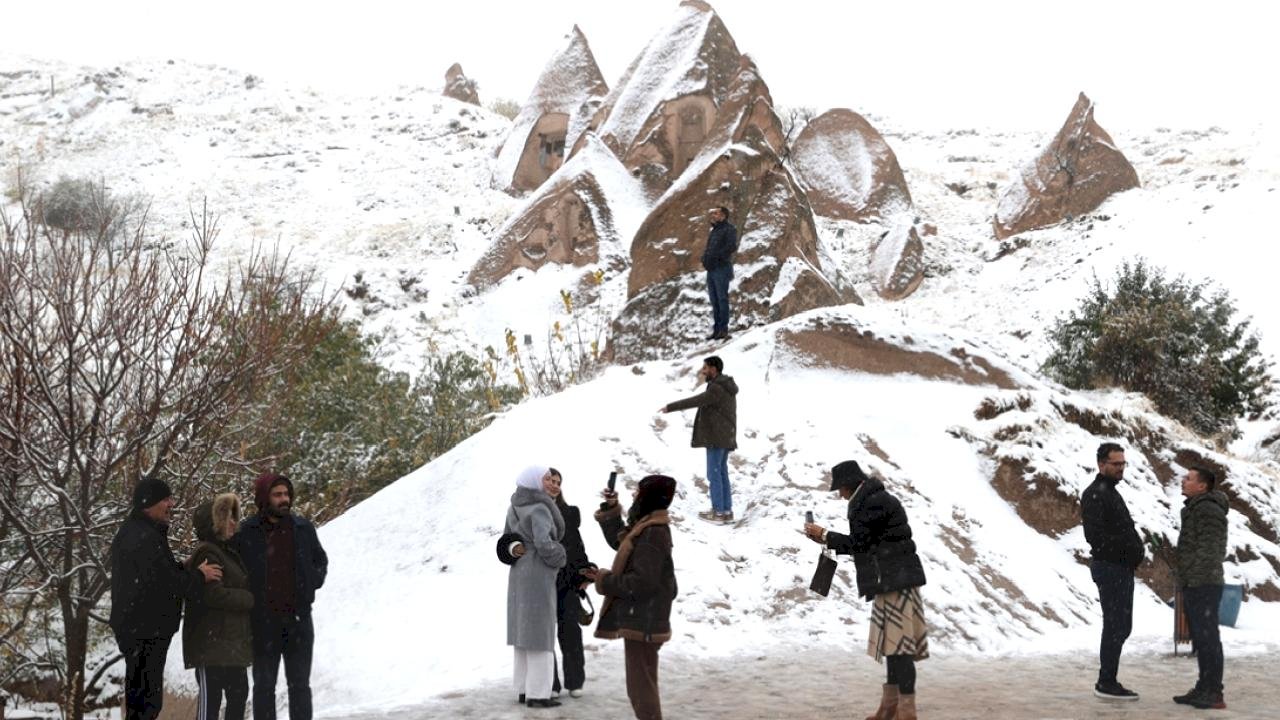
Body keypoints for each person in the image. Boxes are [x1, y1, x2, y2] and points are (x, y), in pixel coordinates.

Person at [805, 460, 929, 720]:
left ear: (849, 485)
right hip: (895, 579)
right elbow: (866, 542)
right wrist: (826, 536)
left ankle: (906, 712)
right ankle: (891, 708)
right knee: (895, 649)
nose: (840, 494)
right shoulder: (873, 498)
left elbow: (859, 544)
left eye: (841, 489)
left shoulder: (870, 503)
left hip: (895, 581)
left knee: (900, 649)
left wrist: (825, 534)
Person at [109, 476, 222, 720]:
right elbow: (165, 584)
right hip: (145, 632)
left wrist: (182, 566)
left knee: (141, 701)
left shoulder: (140, 532)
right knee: (146, 704)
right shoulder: (143, 538)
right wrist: (200, 576)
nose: (171, 504)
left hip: (140, 630)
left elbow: (158, 574)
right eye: (165, 499)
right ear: (147, 503)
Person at [583, 474, 678, 720]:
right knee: (641, 685)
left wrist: (603, 580)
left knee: (641, 689)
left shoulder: (652, 533)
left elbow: (641, 584)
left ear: (648, 497)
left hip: (644, 619)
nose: (634, 495)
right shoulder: (647, 527)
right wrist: (612, 509)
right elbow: (623, 542)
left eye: (637, 492)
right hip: (643, 618)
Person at [235, 473, 328, 720]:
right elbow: (235, 570)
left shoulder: (303, 528)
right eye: (278, 494)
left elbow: (320, 560)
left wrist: (311, 582)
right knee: (264, 687)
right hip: (263, 623)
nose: (284, 499)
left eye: (286, 494)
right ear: (264, 498)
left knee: (300, 686)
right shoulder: (247, 532)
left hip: (299, 621)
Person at [1080, 442, 1145, 701]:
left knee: (1121, 626)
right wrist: (1126, 553)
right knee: (1116, 625)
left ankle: (1108, 678)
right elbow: (1095, 536)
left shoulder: (1110, 491)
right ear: (1101, 464)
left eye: (1123, 464)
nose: (1121, 468)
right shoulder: (1095, 493)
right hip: (1111, 568)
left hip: (1119, 568)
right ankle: (1106, 681)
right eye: (1116, 464)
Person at [184, 493, 254, 720]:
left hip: (231, 644)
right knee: (210, 705)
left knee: (238, 696)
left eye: (234, 517)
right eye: (227, 518)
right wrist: (249, 598)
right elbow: (214, 595)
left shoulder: (227, 552)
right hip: (212, 645)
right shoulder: (207, 551)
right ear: (214, 523)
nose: (234, 523)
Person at [504, 466, 568, 708]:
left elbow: (506, 539)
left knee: (523, 633)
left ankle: (522, 689)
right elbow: (544, 542)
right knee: (541, 634)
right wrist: (560, 555)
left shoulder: (514, 507)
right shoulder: (541, 508)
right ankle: (539, 694)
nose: (547, 482)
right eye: (544, 478)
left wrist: (515, 550)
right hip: (537, 574)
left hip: (518, 572)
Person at [1172, 466, 1229, 710]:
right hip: (1195, 582)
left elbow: (1212, 549)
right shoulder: (1196, 508)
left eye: (1188, 478)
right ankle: (1204, 687)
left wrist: (1193, 575)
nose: (1183, 481)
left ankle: (1214, 692)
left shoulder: (1207, 509)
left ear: (1202, 486)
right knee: (1202, 639)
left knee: (1208, 639)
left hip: (1204, 583)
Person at [660, 356, 739, 524]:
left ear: (713, 369)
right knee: (721, 473)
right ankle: (726, 511)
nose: (703, 371)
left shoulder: (717, 388)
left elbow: (696, 400)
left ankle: (718, 512)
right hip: (725, 436)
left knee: (714, 474)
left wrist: (670, 407)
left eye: (705, 368)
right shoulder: (725, 386)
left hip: (717, 438)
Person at [546, 469, 595, 699]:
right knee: (544, 636)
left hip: (566, 582)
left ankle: (575, 681)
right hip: (542, 583)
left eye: (558, 482)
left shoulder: (568, 513)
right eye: (551, 481)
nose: (555, 485)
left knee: (571, 632)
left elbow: (577, 547)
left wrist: (584, 574)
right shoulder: (532, 512)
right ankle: (550, 684)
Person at [702, 205, 738, 340]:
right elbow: (709, 248)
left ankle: (723, 329)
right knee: (714, 300)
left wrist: (716, 258)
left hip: (721, 268)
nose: (714, 215)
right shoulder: (714, 230)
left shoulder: (729, 229)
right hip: (711, 269)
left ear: (723, 215)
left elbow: (731, 247)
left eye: (716, 213)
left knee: (722, 299)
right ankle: (716, 330)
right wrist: (705, 259)